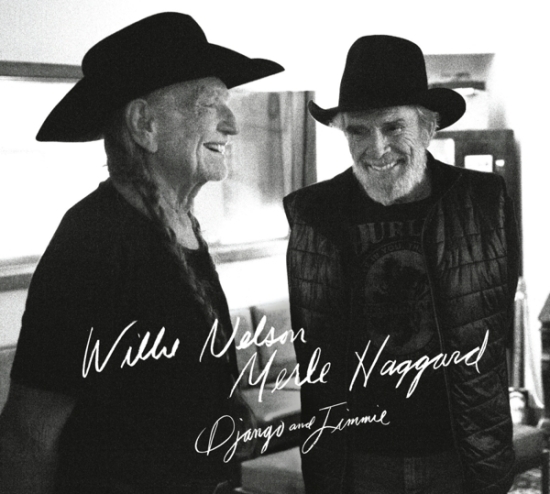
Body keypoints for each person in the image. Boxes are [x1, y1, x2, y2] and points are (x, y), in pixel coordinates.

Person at [0, 12, 283, 494]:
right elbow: (28, 434)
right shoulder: (93, 241)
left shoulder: (181, 225)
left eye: (228, 104)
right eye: (209, 104)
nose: (232, 123)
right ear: (144, 124)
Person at [284, 35, 519, 494]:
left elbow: (496, 316)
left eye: (393, 127)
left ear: (428, 127)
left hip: (460, 458)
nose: (376, 148)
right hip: (357, 463)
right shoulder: (312, 214)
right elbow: (313, 345)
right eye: (358, 131)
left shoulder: (483, 202)